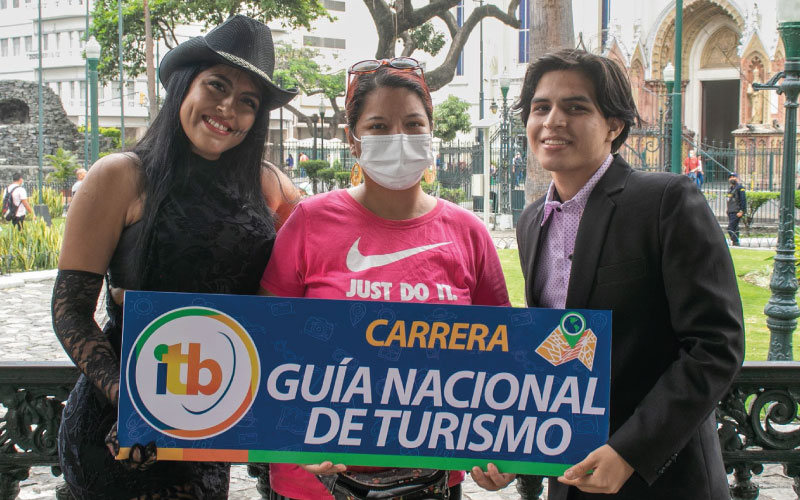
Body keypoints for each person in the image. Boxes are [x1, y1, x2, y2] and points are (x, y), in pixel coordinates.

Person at [51, 15, 300, 499]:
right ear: (185, 85)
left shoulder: (267, 184)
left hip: (212, 419)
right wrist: (133, 403)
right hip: (121, 428)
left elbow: (325, 250)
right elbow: (70, 312)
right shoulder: (120, 176)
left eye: (248, 102)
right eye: (217, 86)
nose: (228, 109)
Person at [260, 57, 514, 500]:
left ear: (432, 135)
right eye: (378, 126)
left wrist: (498, 452)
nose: (399, 138)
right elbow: (263, 339)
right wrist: (291, 432)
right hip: (314, 483)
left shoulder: (468, 232)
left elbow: (503, 357)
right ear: (353, 141)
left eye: (414, 124)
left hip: (429, 483)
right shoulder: (309, 222)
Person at [514, 49, 744, 499]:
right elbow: (552, 353)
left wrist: (630, 452)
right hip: (571, 477)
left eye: (575, 107)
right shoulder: (530, 223)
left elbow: (716, 345)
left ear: (614, 125)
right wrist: (510, 451)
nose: (553, 121)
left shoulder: (665, 202)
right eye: (541, 108)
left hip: (664, 479)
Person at [727, 172, 746, 246]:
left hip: (736, 211)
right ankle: (735, 243)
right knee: (735, 228)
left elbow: (743, 200)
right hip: (730, 211)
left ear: (737, 178)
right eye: (730, 177)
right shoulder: (731, 188)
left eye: (733, 177)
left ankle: (735, 241)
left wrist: (742, 211)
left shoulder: (740, 188)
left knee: (730, 228)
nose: (732, 178)